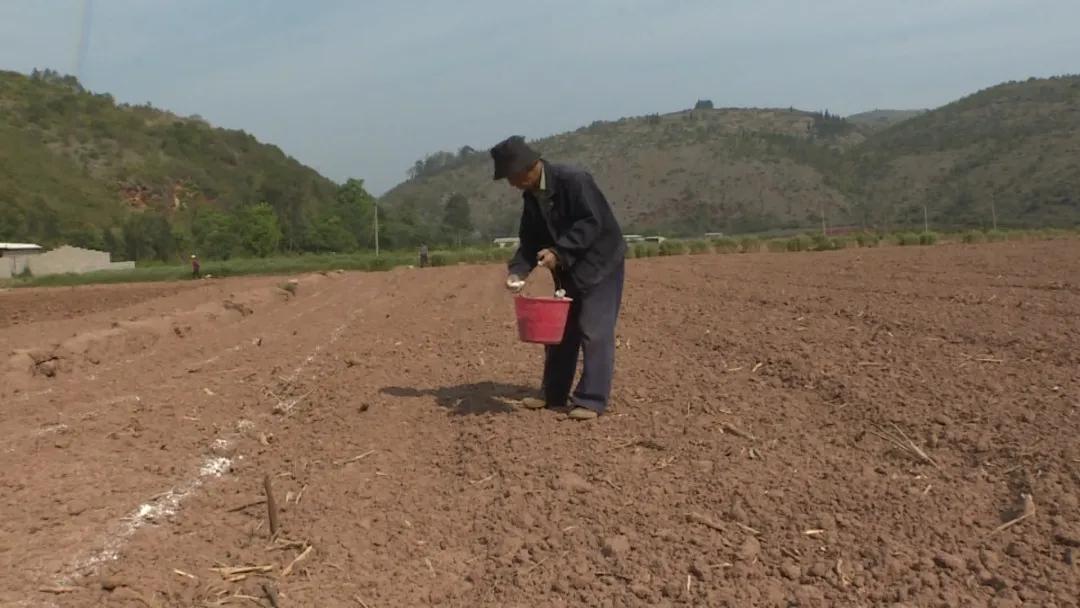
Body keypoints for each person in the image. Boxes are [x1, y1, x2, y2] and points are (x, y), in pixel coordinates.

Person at [491, 135, 626, 421]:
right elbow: (529, 240)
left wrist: (559, 251)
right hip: (567, 268)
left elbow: (592, 222)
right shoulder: (532, 196)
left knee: (594, 329)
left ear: (529, 167)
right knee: (560, 331)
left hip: (599, 263)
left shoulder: (574, 180)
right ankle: (553, 394)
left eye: (511, 176)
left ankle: (591, 399)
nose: (510, 184)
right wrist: (518, 270)